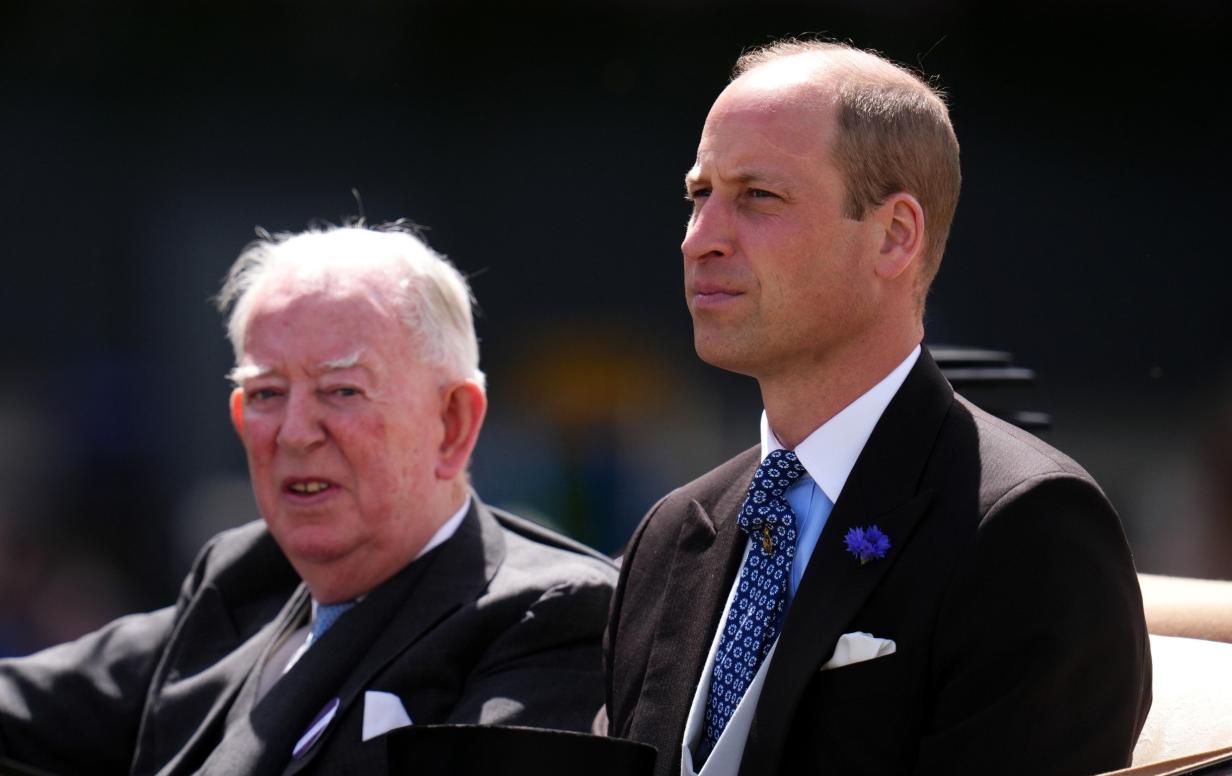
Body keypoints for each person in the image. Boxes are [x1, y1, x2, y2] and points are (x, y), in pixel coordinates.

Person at [604, 40, 1151, 775]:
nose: (699, 239)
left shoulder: (1026, 529)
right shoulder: (672, 536)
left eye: (758, 197)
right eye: (699, 195)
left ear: (894, 236)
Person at [0, 222, 618, 774]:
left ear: (452, 422)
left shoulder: (544, 617)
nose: (294, 432)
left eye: (341, 391)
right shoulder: (247, 582)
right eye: (267, 394)